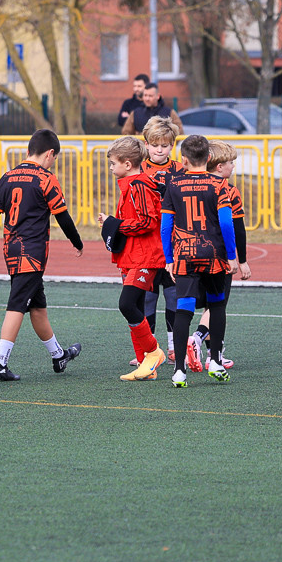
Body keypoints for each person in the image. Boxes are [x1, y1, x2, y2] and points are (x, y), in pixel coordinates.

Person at [0, 129, 84, 381]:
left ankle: (58, 355)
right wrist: (77, 242)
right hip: (33, 251)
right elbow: (63, 216)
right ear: (50, 154)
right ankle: (0, 363)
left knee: (38, 307)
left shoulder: (7, 177)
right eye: (55, 158)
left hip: (11, 249)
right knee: (17, 305)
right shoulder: (46, 178)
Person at [160, 135, 237, 388]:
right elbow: (226, 222)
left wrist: (169, 258)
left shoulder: (173, 183)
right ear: (208, 158)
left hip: (184, 254)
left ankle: (179, 371)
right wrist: (232, 255)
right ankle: (215, 361)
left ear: (183, 160)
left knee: (184, 309)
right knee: (216, 306)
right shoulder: (219, 184)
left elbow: (166, 226)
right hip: (213, 254)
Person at [95, 137, 167, 381]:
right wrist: (111, 222)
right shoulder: (131, 184)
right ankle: (144, 365)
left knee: (127, 304)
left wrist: (116, 225)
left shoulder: (139, 185)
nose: (111, 167)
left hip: (145, 256)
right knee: (133, 307)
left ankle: (154, 353)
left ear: (127, 164)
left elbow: (148, 221)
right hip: (133, 254)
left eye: (113, 163)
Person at [186, 141, 252, 372]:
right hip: (220, 254)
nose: (233, 166)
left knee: (207, 305)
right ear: (220, 166)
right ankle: (201, 342)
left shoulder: (191, 184)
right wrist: (241, 260)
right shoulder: (228, 189)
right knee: (218, 304)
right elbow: (237, 227)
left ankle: (211, 352)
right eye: (231, 162)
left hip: (193, 252)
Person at [136, 116, 183, 364]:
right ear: (146, 144)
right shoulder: (139, 168)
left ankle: (174, 346)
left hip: (173, 244)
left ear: (172, 146)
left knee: (174, 295)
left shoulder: (179, 170)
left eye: (165, 145)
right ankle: (149, 349)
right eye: (155, 144)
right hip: (147, 244)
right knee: (148, 296)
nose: (159, 149)